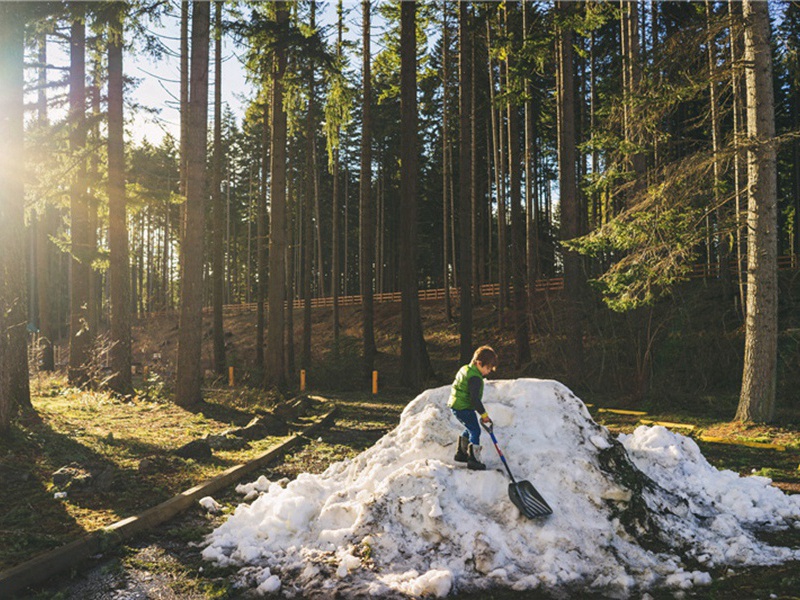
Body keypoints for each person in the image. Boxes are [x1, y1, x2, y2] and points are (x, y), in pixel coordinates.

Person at [447, 345, 498, 470]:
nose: (489, 372)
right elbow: (474, 400)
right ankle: (474, 460)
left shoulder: (465, 369)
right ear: (479, 363)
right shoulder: (474, 377)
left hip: (457, 404)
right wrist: (484, 415)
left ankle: (461, 453)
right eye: (488, 368)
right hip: (463, 406)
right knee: (475, 431)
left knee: (470, 426)